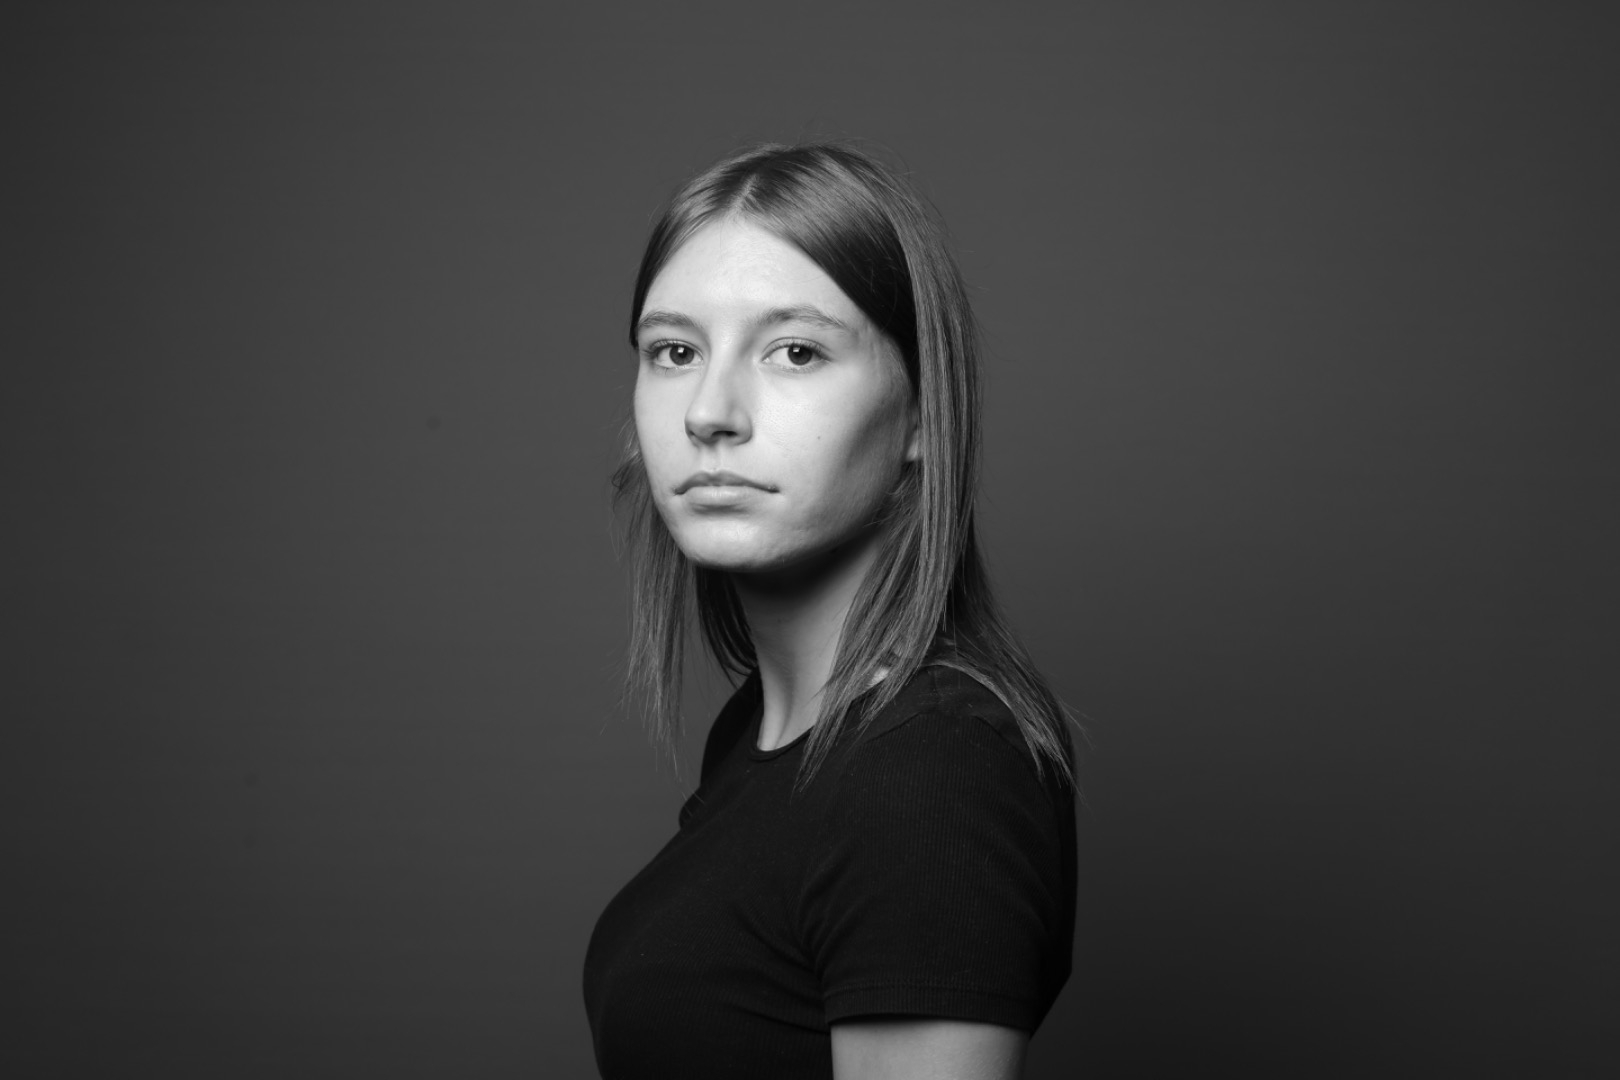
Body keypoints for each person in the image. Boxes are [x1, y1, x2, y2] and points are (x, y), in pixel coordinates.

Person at [582, 143, 1078, 1080]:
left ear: (923, 412)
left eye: (796, 351)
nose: (709, 412)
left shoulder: (929, 769)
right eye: (675, 352)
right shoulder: (765, 737)